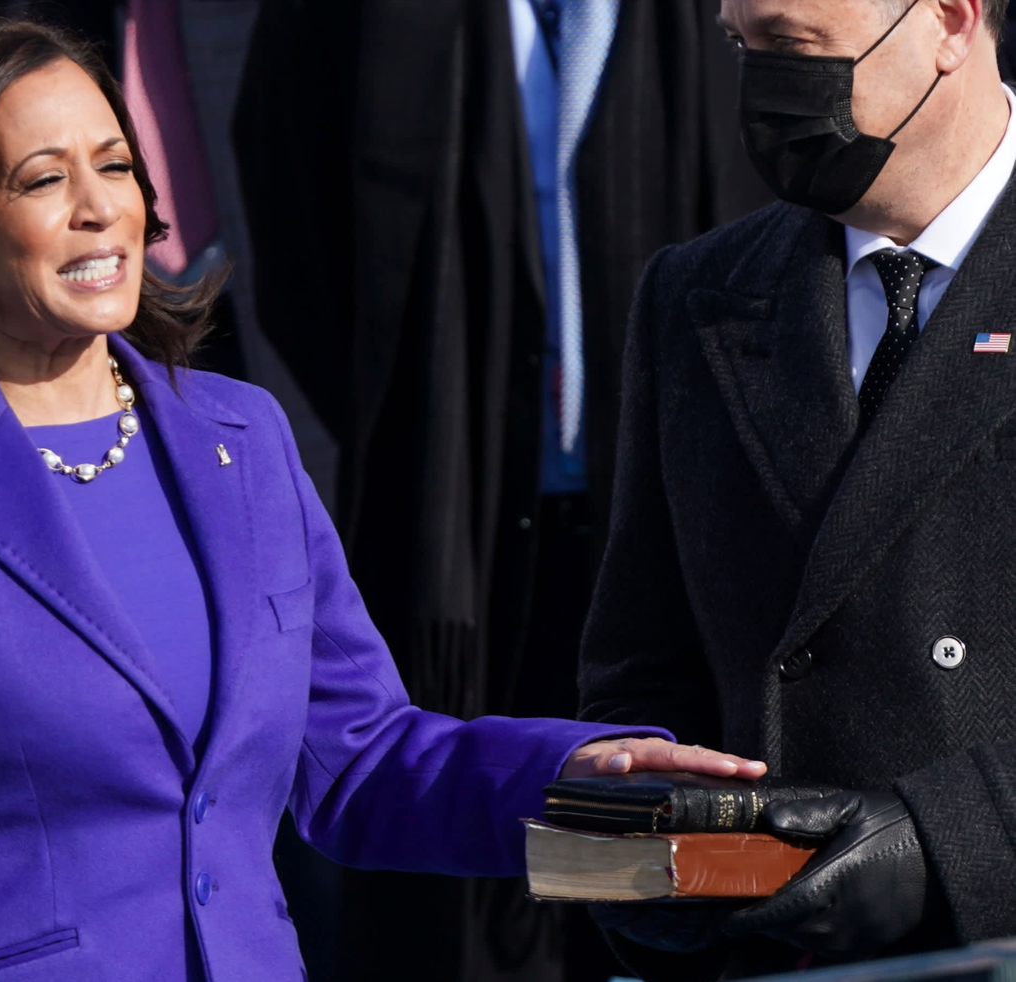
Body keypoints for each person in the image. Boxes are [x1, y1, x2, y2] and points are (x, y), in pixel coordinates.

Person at [0, 18, 765, 982]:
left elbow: (357, 768)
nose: (99, 205)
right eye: (42, 179)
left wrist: (588, 788)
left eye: (114, 165)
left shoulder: (239, 438)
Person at [231, 1, 772, 978]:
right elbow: (293, 216)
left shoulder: (724, 20)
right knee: (461, 883)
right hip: (452, 529)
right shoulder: (357, 21)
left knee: (650, 864)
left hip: (675, 535)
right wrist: (418, 421)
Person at [578, 0, 1016, 978]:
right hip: (764, 953)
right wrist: (622, 859)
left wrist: (945, 845)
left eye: (791, 46)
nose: (761, 89)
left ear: (950, 22)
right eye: (741, 45)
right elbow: (638, 667)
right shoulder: (696, 294)